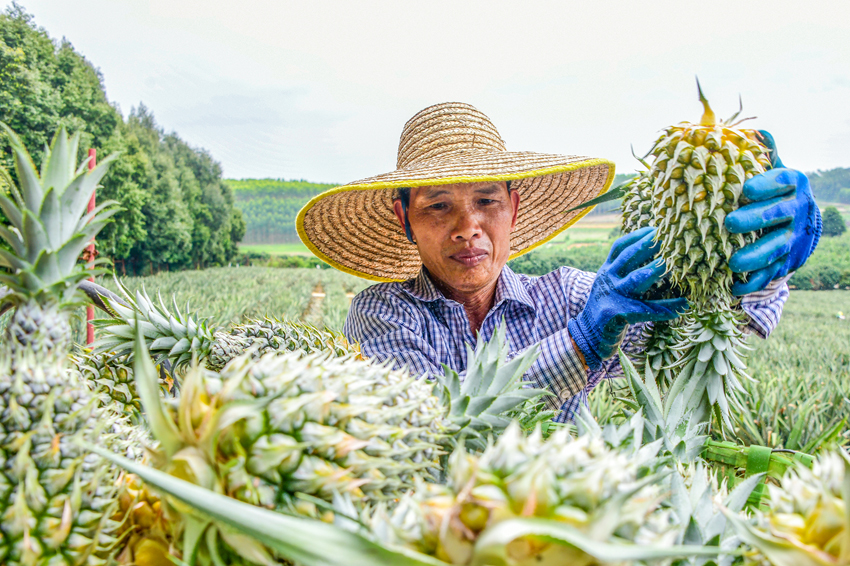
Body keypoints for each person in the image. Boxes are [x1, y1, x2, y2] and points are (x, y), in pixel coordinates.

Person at [297, 102, 821, 421]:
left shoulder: (569, 296)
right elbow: (438, 430)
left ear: (514, 207)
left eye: (486, 201)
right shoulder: (383, 314)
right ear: (404, 218)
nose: (467, 228)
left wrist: (761, 265)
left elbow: (689, 332)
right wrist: (583, 340)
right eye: (438, 206)